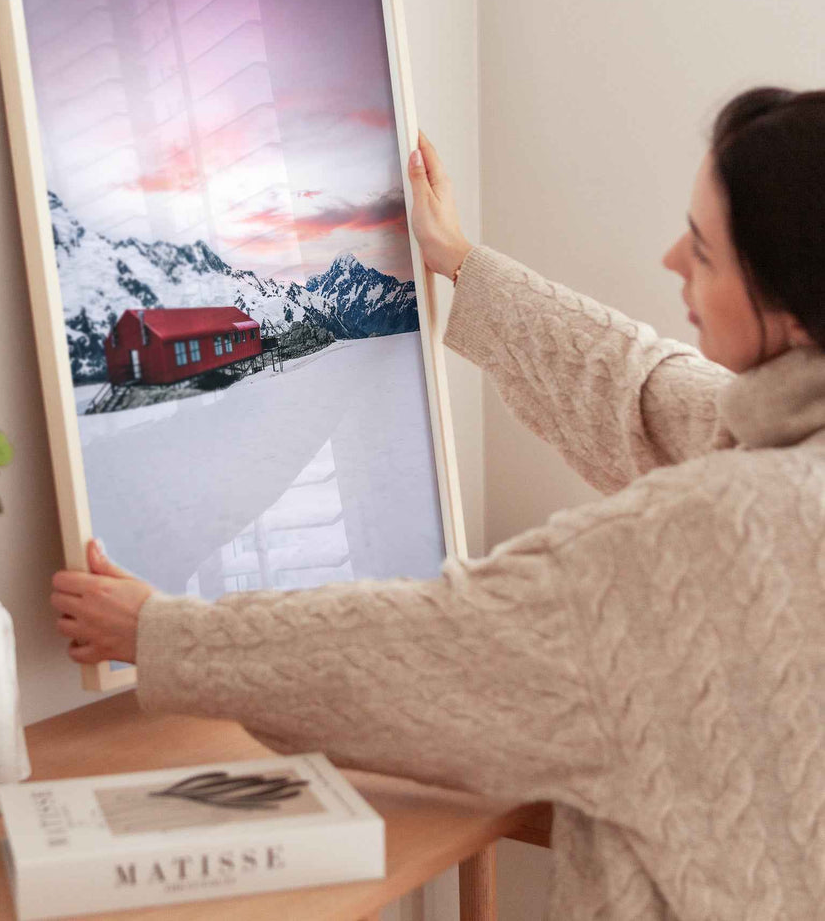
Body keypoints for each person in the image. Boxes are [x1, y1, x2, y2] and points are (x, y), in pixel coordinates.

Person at [50, 87, 825, 920]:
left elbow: (428, 647)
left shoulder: (703, 538)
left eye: (704, 250)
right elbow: (643, 392)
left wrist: (158, 633)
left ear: (791, 307)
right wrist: (460, 262)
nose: (672, 258)